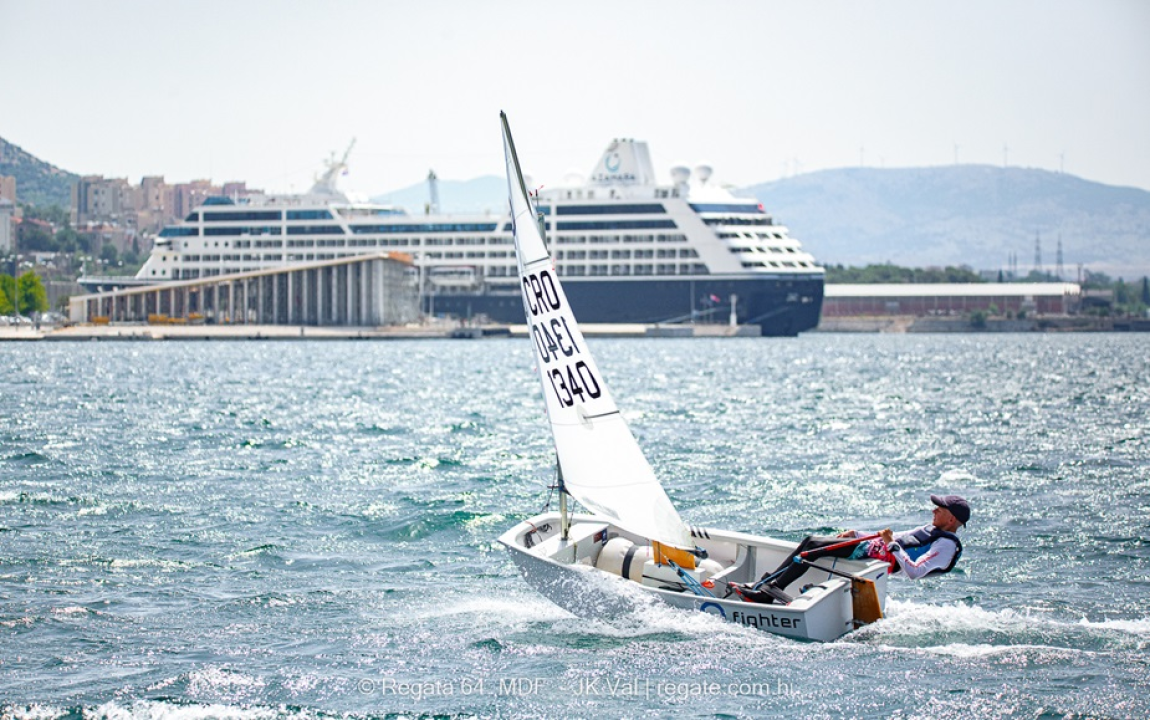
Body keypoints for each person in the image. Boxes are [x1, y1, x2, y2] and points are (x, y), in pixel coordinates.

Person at [755, 494, 970, 601]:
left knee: (812, 546)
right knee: (810, 542)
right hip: (869, 548)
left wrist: (891, 545)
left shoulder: (946, 546)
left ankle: (771, 589)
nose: (934, 511)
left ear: (951, 519)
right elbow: (894, 537)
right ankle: (768, 584)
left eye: (939, 509)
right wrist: (857, 534)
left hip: (875, 557)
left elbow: (915, 571)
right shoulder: (931, 529)